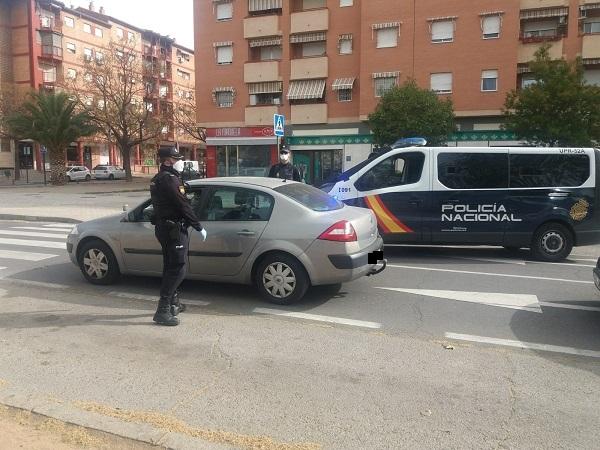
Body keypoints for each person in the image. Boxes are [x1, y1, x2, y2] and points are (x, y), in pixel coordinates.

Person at [150, 147, 207, 326]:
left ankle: (174, 303)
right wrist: (198, 226)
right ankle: (163, 310)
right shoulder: (169, 180)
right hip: (173, 230)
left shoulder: (159, 178)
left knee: (170, 266)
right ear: (168, 161)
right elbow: (183, 205)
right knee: (177, 269)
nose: (180, 161)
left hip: (164, 227)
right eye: (176, 158)